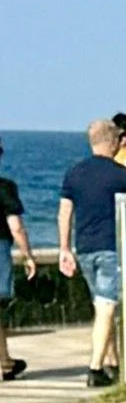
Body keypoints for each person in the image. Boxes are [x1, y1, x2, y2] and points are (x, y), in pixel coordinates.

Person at [58, 118, 126, 387]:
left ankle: (114, 364)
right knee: (107, 307)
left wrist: (64, 248)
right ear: (113, 141)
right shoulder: (122, 175)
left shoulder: (74, 173)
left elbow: (65, 212)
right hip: (111, 248)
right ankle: (95, 368)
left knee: (103, 307)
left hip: (84, 249)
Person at [0, 138, 34, 382]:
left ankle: (5, 362)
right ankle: (4, 363)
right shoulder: (5, 188)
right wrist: (28, 255)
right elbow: (16, 227)